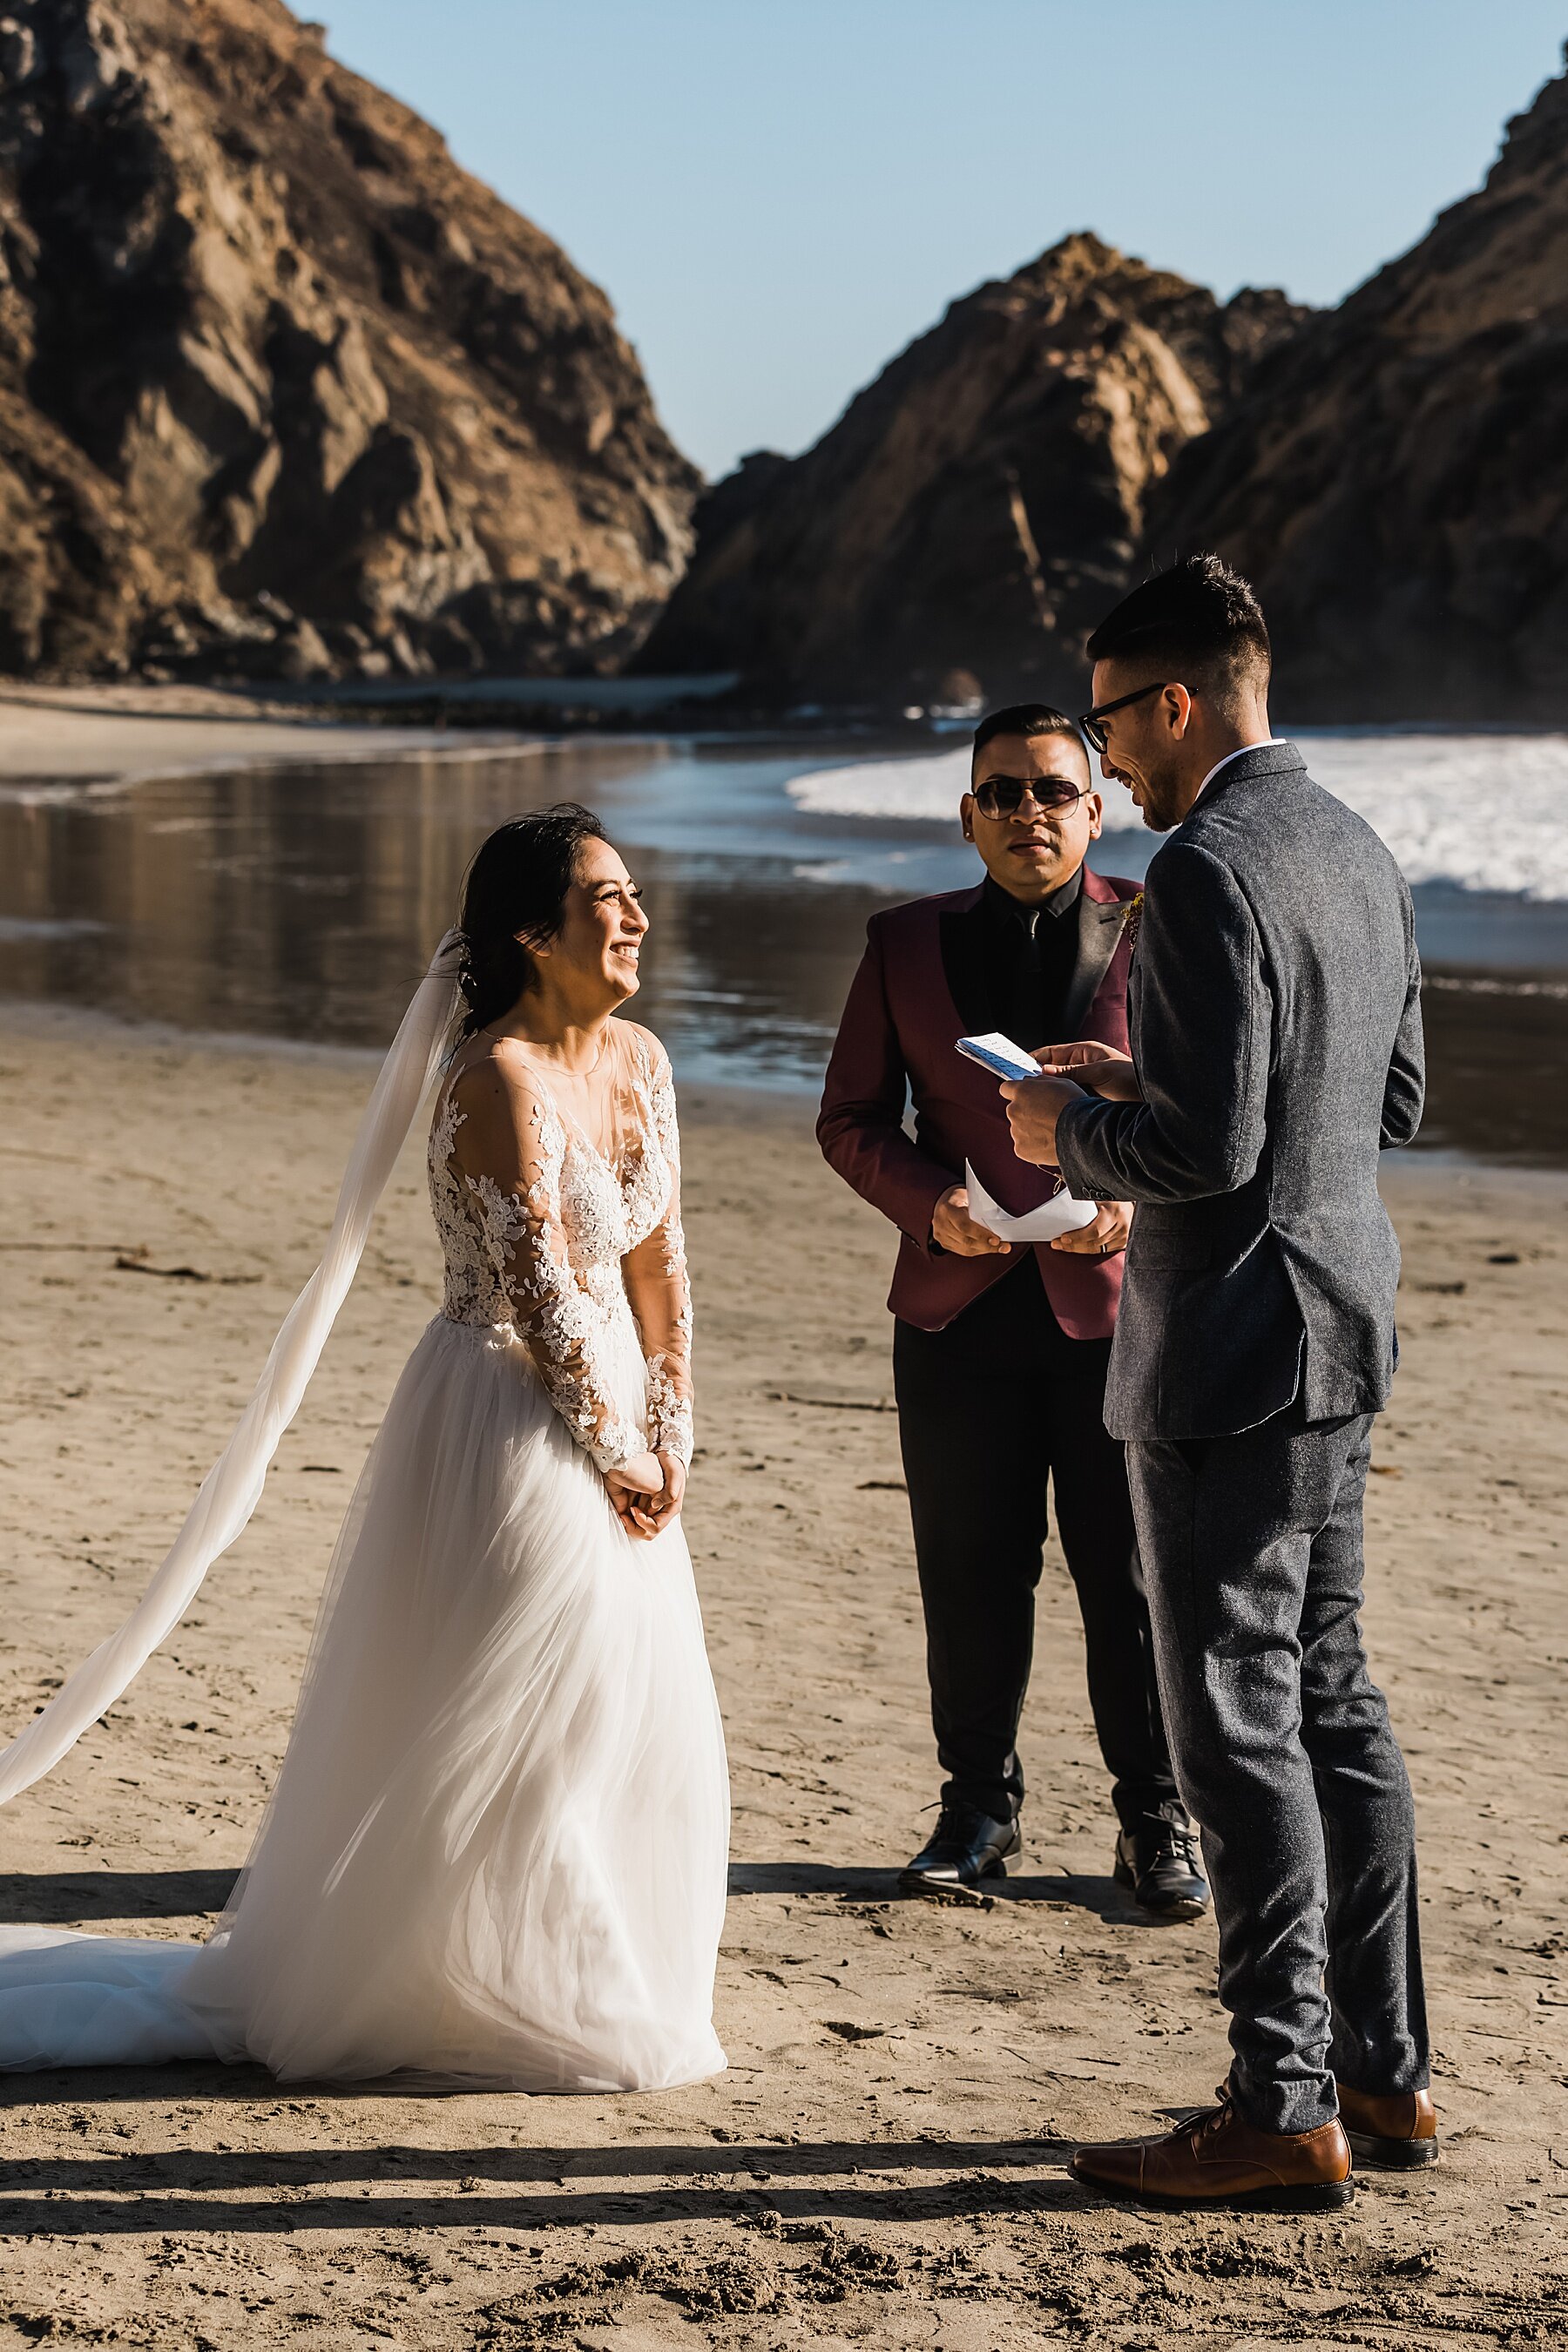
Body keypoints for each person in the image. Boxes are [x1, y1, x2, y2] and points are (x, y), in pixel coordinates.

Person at [0, 806, 730, 2092]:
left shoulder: (647, 1064)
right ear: (529, 931)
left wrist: (673, 1431)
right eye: (604, 897)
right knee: (517, 1708)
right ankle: (523, 1984)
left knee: (617, 1703)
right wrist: (618, 1453)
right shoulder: (492, 1079)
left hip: (621, 1416)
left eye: (634, 895)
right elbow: (548, 1297)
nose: (634, 916)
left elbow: (659, 1265)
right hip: (505, 1416)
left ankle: (535, 1970)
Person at [1002, 558, 1433, 2209]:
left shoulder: (1201, 873)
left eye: (1111, 724)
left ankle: (1280, 2101)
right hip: (1344, 1334)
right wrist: (1151, 1075)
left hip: (1225, 1365)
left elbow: (1203, 1147)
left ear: (1178, 700)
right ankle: (1385, 2081)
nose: (1106, 764)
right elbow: (1387, 1100)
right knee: (1334, 1699)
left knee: (1236, 1725)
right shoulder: (1363, 848)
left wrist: (1071, 1129)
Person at [818, 705, 1207, 1918]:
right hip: (956, 1314)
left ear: (1096, 808)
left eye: (1052, 790)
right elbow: (850, 1120)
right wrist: (931, 1207)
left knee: (1131, 1580)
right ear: (968, 813)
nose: (1027, 812)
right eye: (1002, 793)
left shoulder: (1170, 924)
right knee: (972, 1571)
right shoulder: (901, 943)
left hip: (1122, 1315)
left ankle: (1154, 1821)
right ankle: (976, 1806)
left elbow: (1216, 1119)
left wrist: (1137, 1212)